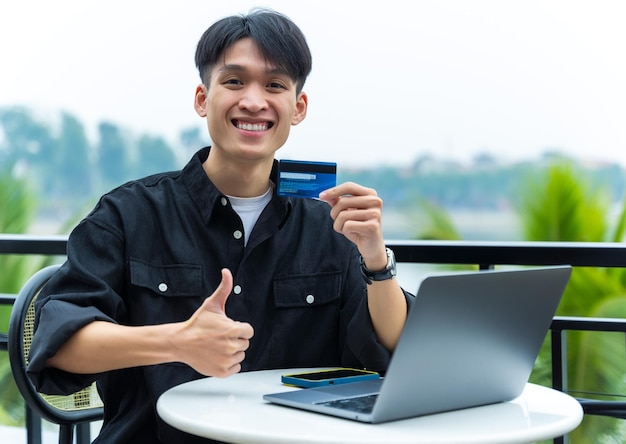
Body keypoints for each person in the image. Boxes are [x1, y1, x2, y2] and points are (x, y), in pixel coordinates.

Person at [27, 8, 413, 443]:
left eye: (275, 85)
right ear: (202, 99)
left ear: (298, 107)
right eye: (234, 81)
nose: (253, 101)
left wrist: (377, 260)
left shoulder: (329, 225)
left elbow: (398, 356)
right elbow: (57, 346)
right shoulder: (128, 214)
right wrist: (177, 341)